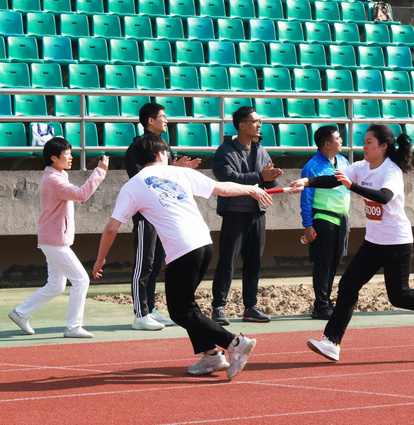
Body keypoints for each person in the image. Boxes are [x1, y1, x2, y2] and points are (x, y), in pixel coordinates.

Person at [93, 132, 274, 379]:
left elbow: (112, 227)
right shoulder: (180, 172)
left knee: (181, 311)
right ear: (161, 154)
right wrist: (251, 188)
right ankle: (211, 356)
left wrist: (100, 258)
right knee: (187, 305)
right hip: (204, 244)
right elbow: (223, 188)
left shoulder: (133, 185)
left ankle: (235, 342)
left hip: (182, 250)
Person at [289, 124, 414, 362]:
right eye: (363, 142)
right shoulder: (360, 167)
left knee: (399, 295)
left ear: (383, 146)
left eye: (369, 142)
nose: (363, 146)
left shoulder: (390, 171)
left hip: (396, 241)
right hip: (373, 242)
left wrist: (352, 187)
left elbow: (384, 197)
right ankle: (332, 342)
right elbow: (334, 180)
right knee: (348, 286)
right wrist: (307, 182)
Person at [8, 137, 109, 338]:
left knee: (56, 285)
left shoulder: (57, 176)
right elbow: (82, 194)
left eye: (71, 153)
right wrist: (100, 171)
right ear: (54, 158)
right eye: (67, 154)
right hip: (54, 241)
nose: (70, 157)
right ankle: (73, 327)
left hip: (52, 239)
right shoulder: (54, 180)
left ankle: (21, 313)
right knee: (81, 280)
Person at [123, 102, 201, 331]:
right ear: (150, 120)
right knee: (143, 264)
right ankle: (140, 314)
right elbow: (142, 180)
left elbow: (167, 178)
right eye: (162, 116)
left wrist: (179, 170)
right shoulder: (137, 147)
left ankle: (151, 309)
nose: (166, 120)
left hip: (164, 215)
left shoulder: (164, 145)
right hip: (146, 214)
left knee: (156, 264)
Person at [210, 106, 284, 325]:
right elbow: (228, 178)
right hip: (235, 212)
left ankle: (250, 307)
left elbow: (270, 180)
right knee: (227, 262)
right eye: (255, 121)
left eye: (260, 121)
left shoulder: (260, 149)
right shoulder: (224, 151)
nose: (259, 125)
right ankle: (218, 308)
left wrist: (272, 177)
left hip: (257, 212)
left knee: (253, 262)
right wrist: (261, 176)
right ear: (242, 125)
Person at [300, 126, 351, 320]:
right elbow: (306, 198)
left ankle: (327, 301)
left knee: (334, 262)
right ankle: (320, 305)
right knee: (323, 264)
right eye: (338, 138)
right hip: (323, 220)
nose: (341, 140)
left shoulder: (344, 161)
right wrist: (308, 224)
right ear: (327, 143)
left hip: (342, 220)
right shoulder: (312, 166)